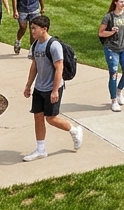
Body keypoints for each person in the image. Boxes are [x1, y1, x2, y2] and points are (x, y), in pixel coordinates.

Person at [22, 15, 83, 160]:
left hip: (53, 87)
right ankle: (41, 150)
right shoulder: (35, 45)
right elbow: (34, 66)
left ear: (44, 29)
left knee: (51, 118)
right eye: (31, 28)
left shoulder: (54, 46)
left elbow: (59, 68)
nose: (32, 31)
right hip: (39, 87)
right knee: (38, 117)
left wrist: (55, 90)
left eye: (34, 28)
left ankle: (74, 131)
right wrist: (28, 85)